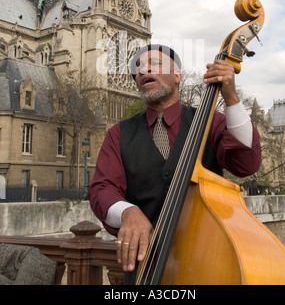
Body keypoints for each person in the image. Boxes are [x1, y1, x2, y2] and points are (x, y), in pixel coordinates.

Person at [88, 44, 261, 284]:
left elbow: (246, 163)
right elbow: (101, 189)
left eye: (154, 64)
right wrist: (128, 212)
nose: (143, 70)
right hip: (145, 270)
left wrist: (230, 98)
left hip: (209, 262)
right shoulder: (117, 134)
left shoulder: (211, 122)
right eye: (138, 68)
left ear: (178, 75)